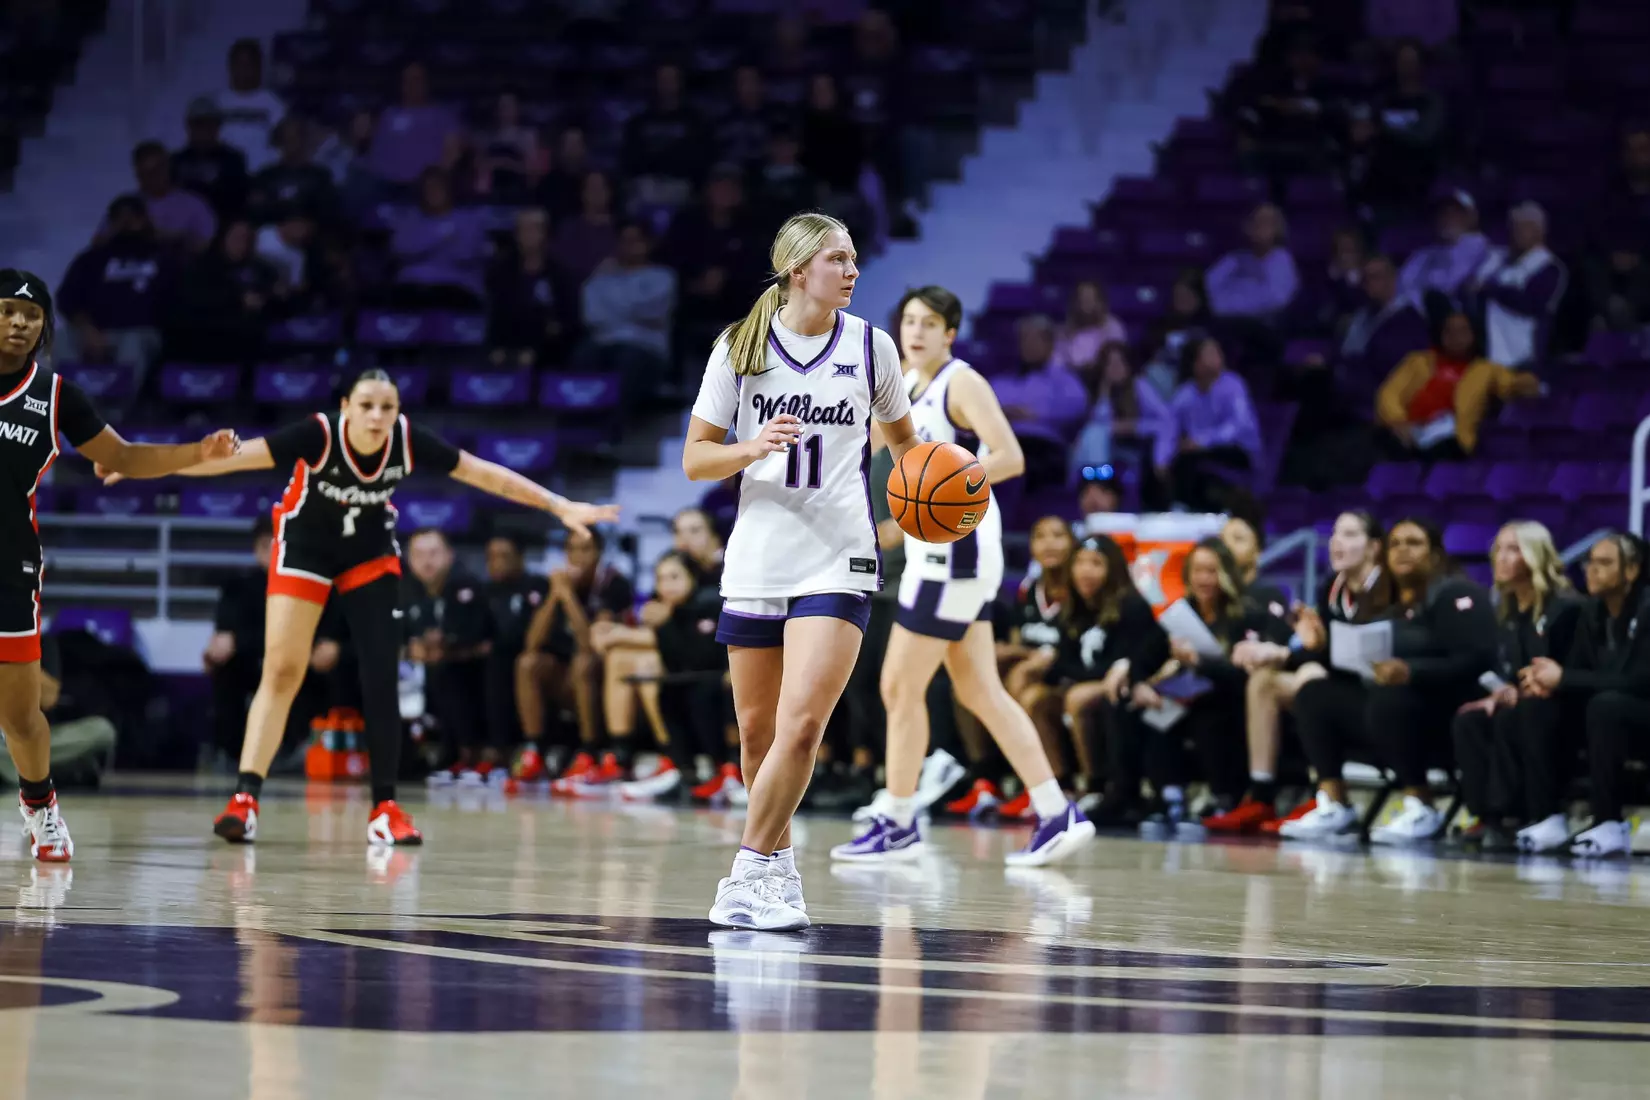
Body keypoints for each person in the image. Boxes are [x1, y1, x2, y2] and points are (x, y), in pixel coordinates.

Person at [100, 369, 617, 846]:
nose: (377, 416)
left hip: (368, 552)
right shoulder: (317, 434)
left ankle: (386, 808)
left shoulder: (406, 440)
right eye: (367, 405)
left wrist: (557, 504)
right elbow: (225, 458)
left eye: (387, 407)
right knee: (282, 670)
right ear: (346, 406)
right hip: (304, 548)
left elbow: (484, 474)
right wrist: (137, 461)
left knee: (380, 675)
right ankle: (244, 798)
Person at [683, 211, 919, 930]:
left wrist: (946, 494)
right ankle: (778, 874)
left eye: (853, 259)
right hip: (759, 553)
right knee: (757, 735)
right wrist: (751, 449)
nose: (852, 271)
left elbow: (909, 450)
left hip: (838, 555)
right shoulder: (740, 345)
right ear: (798, 270)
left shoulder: (873, 348)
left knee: (804, 721)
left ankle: (744, 873)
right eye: (838, 260)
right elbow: (697, 458)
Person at [830, 286, 1094, 866]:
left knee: (898, 685)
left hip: (959, 548)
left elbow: (1010, 456)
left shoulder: (960, 381)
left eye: (929, 323)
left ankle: (899, 817)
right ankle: (1056, 810)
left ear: (950, 333)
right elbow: (866, 447)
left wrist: (942, 484)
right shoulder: (904, 383)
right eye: (908, 321)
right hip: (936, 551)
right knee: (979, 690)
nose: (916, 331)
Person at [0, 269, 238, 862]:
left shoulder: (55, 396)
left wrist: (194, 453)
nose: (18, 323)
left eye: (31, 315)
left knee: (20, 715)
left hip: (9, 564)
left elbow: (124, 457)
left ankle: (40, 807)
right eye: (6, 311)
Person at [1282, 518, 1496, 844]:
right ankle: (1335, 803)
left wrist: (1412, 671)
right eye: (1395, 544)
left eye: (1413, 543)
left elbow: (1476, 659)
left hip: (1443, 711)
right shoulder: (1382, 602)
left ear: (1435, 554)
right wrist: (1319, 647)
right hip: (1388, 713)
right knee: (1315, 694)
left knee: (1390, 700)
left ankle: (1421, 805)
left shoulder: (1455, 592)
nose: (1402, 551)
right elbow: (1353, 667)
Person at [1207, 511, 1388, 834]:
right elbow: (1324, 650)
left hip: (1379, 695)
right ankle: (1260, 793)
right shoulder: (1331, 586)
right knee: (1264, 681)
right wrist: (1298, 649)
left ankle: (1329, 796)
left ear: (1374, 547)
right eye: (1334, 533)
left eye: (1348, 534)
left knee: (1310, 679)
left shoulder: (1387, 588)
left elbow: (1365, 654)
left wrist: (1299, 651)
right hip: (1340, 686)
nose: (1336, 541)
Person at [1450, 522, 1581, 852]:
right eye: (1499, 550)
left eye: (1514, 550)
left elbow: (1572, 670)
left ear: (1536, 556)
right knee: (1471, 718)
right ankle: (1485, 816)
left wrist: (1530, 688)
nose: (1502, 558)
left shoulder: (1565, 607)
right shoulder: (1508, 610)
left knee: (1518, 714)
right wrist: (1502, 690)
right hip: (1528, 703)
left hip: (1565, 707)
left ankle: (1521, 815)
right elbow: (1511, 669)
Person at [1521, 532, 1650, 857]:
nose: (1592, 570)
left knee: (1606, 706)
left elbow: (1638, 680)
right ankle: (1547, 816)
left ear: (1631, 570)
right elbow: (1577, 672)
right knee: (1540, 707)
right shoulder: (1592, 612)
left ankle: (1609, 821)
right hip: (1608, 714)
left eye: (1605, 563)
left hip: (1641, 713)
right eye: (1589, 562)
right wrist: (1545, 682)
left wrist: (1564, 678)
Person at [1025, 534, 1168, 826]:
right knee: (1035, 698)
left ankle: (1097, 785)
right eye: (1079, 563)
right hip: (1085, 683)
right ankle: (1059, 785)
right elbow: (1062, 664)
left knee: (1079, 698)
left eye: (1096, 564)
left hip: (1124, 689)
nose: (1085, 571)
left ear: (1112, 569)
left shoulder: (1131, 606)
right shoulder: (1073, 608)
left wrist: (1087, 676)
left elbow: (1140, 656)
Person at [516, 528, 636, 789]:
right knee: (527, 664)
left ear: (599, 553)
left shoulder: (614, 584)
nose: (578, 557)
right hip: (565, 679)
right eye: (571, 550)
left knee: (583, 663)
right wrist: (554, 596)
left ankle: (589, 752)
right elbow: (532, 642)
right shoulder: (551, 583)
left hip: (601, 679)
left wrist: (568, 597)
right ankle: (534, 750)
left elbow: (590, 645)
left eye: (586, 550)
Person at [1376, 310, 1541, 461]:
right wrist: (1398, 421)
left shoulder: (1486, 370)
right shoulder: (1418, 361)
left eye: (1462, 331)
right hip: (1409, 430)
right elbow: (1389, 394)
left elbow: (1511, 385)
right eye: (1449, 331)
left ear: (1473, 335)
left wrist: (1529, 383)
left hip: (1451, 438)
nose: (1455, 337)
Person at [403, 528, 498, 783]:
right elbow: (391, 636)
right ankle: (397, 756)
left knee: (449, 673)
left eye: (434, 553)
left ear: (449, 555)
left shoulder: (469, 587)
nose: (427, 561)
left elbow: (482, 637)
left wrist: (447, 647)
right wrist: (410, 649)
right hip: (414, 676)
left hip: (468, 673)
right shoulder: (404, 592)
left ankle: (468, 754)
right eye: (419, 554)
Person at [1161, 336, 1261, 513]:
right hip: (1200, 451)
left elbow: (1239, 426)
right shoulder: (1186, 392)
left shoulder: (1234, 385)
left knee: (1189, 460)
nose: (1216, 357)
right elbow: (1169, 427)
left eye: (1217, 352)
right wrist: (1161, 459)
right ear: (1195, 363)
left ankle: (1184, 507)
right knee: (1175, 460)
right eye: (1209, 353)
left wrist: (1202, 441)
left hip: (1238, 450)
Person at [1469, 202, 1568, 371]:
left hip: (1522, 357)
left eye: (1524, 227)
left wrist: (1491, 289)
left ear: (1539, 231)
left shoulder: (1549, 266)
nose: (1517, 233)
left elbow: (1530, 303)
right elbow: (1471, 287)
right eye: (1514, 227)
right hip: (1486, 353)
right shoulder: (1496, 259)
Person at [480, 534, 546, 752]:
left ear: (520, 558)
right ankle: (466, 751)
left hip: (529, 656)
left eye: (503, 556)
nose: (496, 562)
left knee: (503, 662)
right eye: (491, 557)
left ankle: (505, 749)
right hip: (489, 660)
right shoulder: (483, 592)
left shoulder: (537, 586)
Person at [172, 97, 250, 220]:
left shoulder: (232, 160)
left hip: (223, 227)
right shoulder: (175, 161)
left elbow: (239, 203)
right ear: (189, 127)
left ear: (217, 127)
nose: (203, 130)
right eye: (198, 124)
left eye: (209, 124)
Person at [215, 38, 288, 170]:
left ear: (259, 67)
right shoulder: (218, 103)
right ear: (230, 66)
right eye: (239, 64)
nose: (243, 70)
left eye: (249, 64)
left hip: (261, 175)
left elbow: (283, 145)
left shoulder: (273, 103)